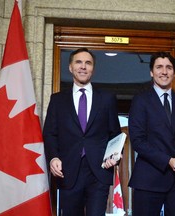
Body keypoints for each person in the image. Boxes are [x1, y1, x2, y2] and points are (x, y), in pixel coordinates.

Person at [43, 48, 121, 216]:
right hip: (68, 171)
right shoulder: (57, 100)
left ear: (93, 68)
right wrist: (53, 158)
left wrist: (115, 155)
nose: (83, 67)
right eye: (78, 62)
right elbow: (50, 133)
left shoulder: (107, 99)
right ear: (70, 67)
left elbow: (114, 134)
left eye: (88, 63)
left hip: (98, 172)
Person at [128, 52, 175, 216]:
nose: (164, 72)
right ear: (151, 72)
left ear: (174, 73)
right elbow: (138, 141)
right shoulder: (140, 101)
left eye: (169, 67)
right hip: (148, 179)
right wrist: (168, 160)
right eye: (159, 67)